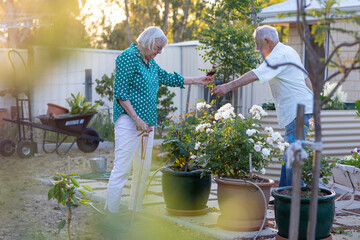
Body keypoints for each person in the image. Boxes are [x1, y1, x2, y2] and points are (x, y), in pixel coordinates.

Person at [105, 26, 214, 213]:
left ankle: (135, 213)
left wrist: (198, 80)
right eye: (158, 47)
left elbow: (169, 78)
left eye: (162, 48)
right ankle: (111, 214)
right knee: (122, 169)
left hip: (147, 123)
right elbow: (120, 94)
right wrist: (135, 118)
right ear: (147, 41)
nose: (160, 51)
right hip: (128, 121)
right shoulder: (127, 57)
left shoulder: (150, 63)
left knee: (142, 171)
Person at [211, 25, 313, 187]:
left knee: (292, 156)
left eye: (257, 44)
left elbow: (256, 74)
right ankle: (284, 194)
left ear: (267, 41)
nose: (257, 48)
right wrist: (310, 102)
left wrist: (226, 87)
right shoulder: (289, 51)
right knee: (290, 153)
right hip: (301, 110)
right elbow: (306, 77)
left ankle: (296, 200)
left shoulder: (279, 55)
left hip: (297, 111)